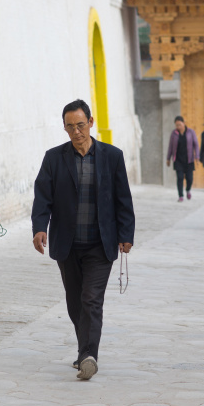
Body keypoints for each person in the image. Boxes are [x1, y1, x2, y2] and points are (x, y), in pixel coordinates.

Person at [31, 99, 135, 381]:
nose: (76, 131)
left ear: (91, 122)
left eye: (80, 125)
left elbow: (122, 199)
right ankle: (83, 351)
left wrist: (126, 234)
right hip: (67, 244)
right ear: (64, 128)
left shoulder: (112, 156)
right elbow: (43, 197)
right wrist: (39, 227)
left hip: (100, 243)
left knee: (91, 300)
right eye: (70, 127)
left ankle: (89, 355)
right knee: (75, 302)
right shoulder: (54, 158)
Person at [166, 116, 200, 202]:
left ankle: (188, 190)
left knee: (189, 178)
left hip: (189, 159)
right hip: (178, 160)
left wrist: (197, 157)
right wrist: (168, 158)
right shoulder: (174, 133)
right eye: (176, 125)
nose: (178, 127)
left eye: (179, 124)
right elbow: (170, 146)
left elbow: (196, 145)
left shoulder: (191, 132)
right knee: (180, 177)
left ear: (184, 123)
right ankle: (180, 195)